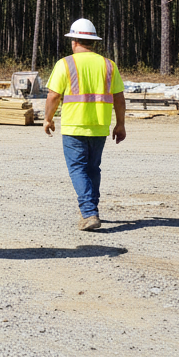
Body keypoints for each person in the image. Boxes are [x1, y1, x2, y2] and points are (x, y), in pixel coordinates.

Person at [43, 18, 126, 231]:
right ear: (93, 42)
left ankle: (89, 213)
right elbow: (119, 97)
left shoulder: (65, 64)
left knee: (78, 169)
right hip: (99, 126)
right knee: (92, 168)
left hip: (74, 127)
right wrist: (120, 124)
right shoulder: (109, 65)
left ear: (73, 41)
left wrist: (48, 119)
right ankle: (92, 209)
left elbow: (53, 96)